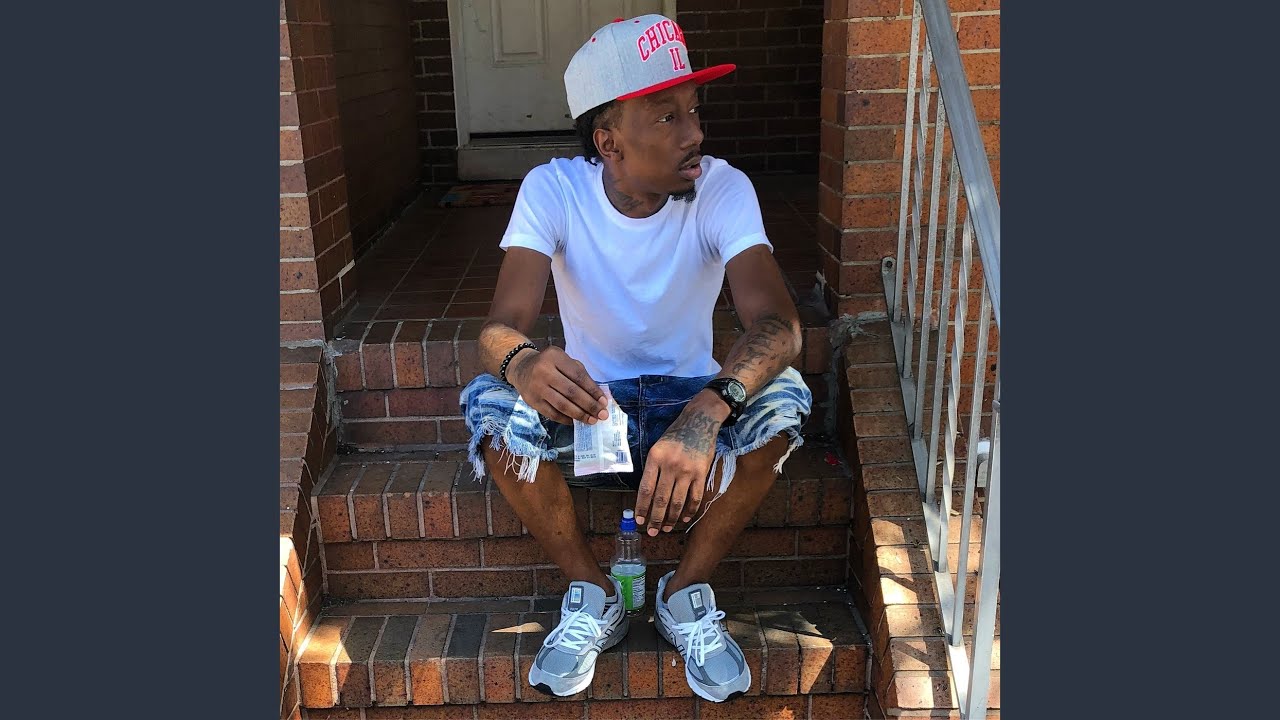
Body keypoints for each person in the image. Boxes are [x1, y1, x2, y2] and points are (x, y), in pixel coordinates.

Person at [458, 14, 812, 704]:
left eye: (694, 111)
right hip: (595, 412)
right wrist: (523, 363)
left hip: (691, 400)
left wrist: (707, 413)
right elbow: (500, 329)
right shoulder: (554, 189)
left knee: (784, 397)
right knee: (491, 403)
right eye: (668, 116)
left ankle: (684, 593)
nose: (694, 133)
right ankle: (592, 593)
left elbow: (778, 325)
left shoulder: (721, 187)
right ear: (609, 141)